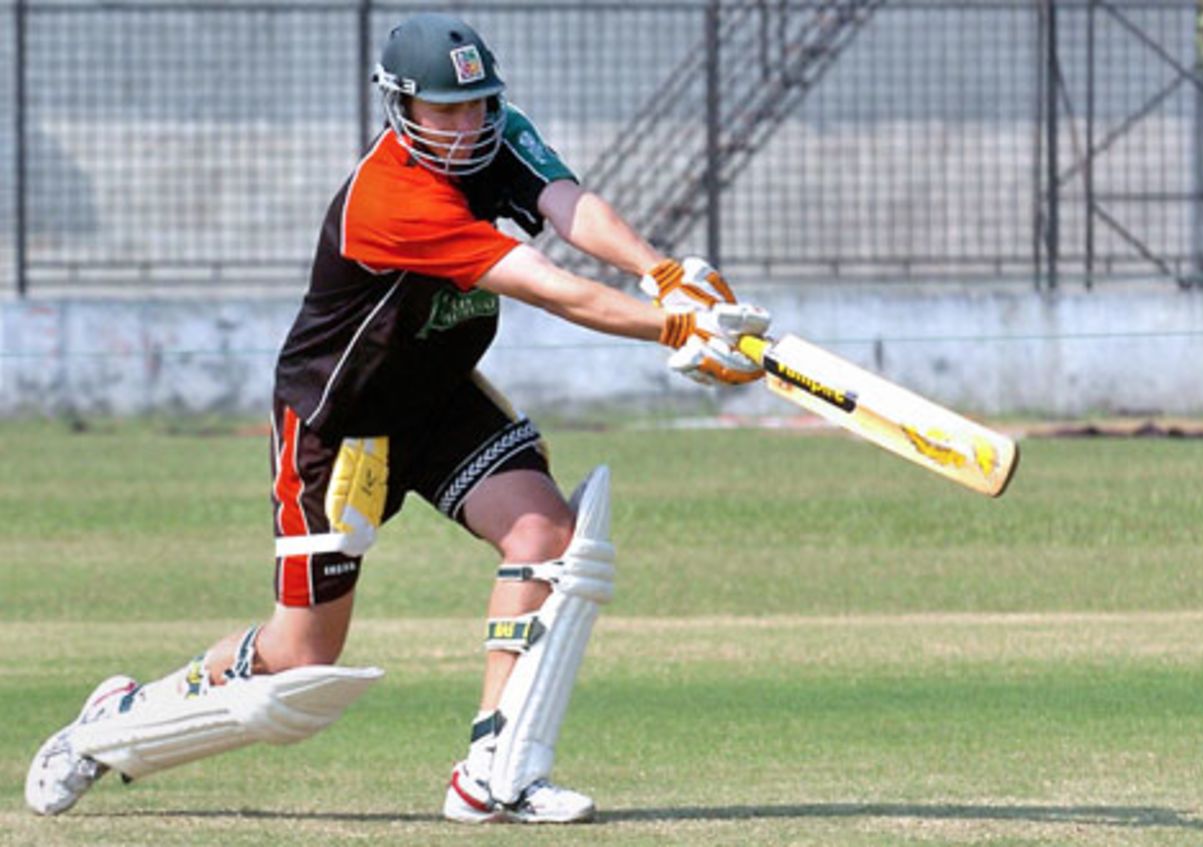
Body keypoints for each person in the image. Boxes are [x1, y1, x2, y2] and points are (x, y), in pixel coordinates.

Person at [25, 11, 770, 826]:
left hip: (442, 398)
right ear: (401, 108)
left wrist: (663, 274)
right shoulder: (391, 199)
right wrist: (671, 326)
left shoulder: (498, 135)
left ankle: (495, 771)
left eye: (479, 104)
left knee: (548, 536)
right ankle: (119, 723)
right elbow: (547, 283)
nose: (466, 126)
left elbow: (568, 204)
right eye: (445, 111)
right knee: (300, 659)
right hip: (337, 424)